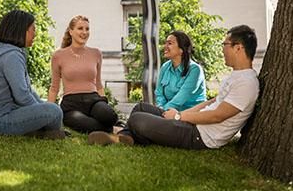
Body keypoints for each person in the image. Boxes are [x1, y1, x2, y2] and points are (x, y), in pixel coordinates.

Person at [88, 25, 259, 149]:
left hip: (200, 135)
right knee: (140, 107)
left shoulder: (246, 83)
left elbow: (217, 116)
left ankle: (124, 136)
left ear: (238, 48)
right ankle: (126, 138)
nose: (222, 49)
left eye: (225, 45)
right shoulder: (237, 76)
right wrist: (177, 115)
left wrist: (178, 117)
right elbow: (211, 102)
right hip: (191, 120)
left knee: (137, 119)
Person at [0, 10, 64, 139]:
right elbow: (22, 96)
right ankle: (48, 132)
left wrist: (41, 107)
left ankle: (40, 131)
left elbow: (29, 92)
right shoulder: (12, 56)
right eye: (33, 29)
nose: (35, 34)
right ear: (22, 30)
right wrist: (44, 113)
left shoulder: (4, 50)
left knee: (49, 107)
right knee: (55, 112)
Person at [47, 15, 118, 133]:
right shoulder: (58, 56)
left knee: (109, 116)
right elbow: (54, 88)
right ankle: (114, 130)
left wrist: (105, 104)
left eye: (87, 29)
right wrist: (48, 114)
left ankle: (112, 126)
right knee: (88, 125)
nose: (84, 32)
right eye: (80, 28)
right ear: (71, 31)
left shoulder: (96, 53)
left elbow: (98, 84)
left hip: (93, 99)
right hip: (71, 105)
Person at [154, 31, 207, 111]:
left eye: (170, 43)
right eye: (165, 43)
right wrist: (161, 107)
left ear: (181, 49)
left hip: (190, 116)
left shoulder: (195, 70)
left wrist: (163, 112)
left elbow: (179, 100)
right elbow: (159, 93)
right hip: (169, 113)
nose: (165, 46)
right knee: (140, 108)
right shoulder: (165, 67)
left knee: (140, 115)